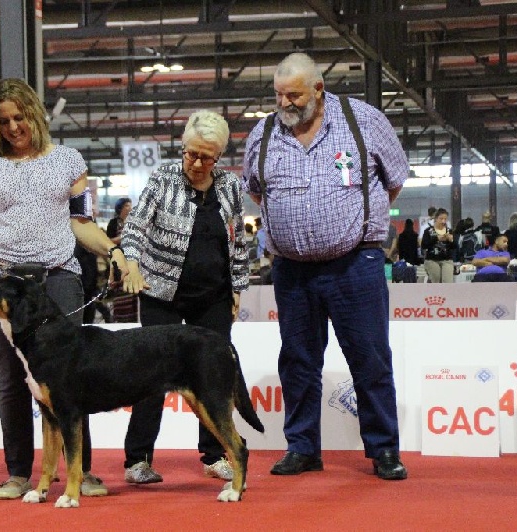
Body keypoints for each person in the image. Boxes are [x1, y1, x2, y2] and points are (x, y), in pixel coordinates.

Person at [0, 78, 128, 501]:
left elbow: (82, 223)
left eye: (19, 117)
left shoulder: (69, 161)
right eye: (3, 121)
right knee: (12, 375)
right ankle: (18, 472)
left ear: (34, 114)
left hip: (60, 279)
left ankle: (81, 470)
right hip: (5, 284)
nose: (13, 127)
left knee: (71, 378)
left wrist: (113, 249)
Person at [241, 52, 407, 480]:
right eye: (278, 95)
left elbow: (394, 180)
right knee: (297, 361)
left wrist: (352, 224)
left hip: (356, 263)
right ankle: (302, 447)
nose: (284, 104)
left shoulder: (363, 121)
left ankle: (384, 449)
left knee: (369, 359)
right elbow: (257, 192)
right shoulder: (262, 135)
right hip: (292, 270)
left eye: (293, 95)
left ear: (318, 89)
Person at [120, 110, 249, 484]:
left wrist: (237, 288)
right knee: (149, 376)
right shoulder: (162, 180)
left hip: (213, 297)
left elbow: (238, 242)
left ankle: (214, 454)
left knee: (212, 379)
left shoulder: (230, 187)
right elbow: (135, 229)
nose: (195, 162)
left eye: (205, 156)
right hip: (161, 294)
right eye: (190, 153)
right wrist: (132, 263)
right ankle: (138, 459)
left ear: (219, 157)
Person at [421, 208, 456, 283]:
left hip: (447, 259)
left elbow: (454, 247)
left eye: (445, 219)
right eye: (441, 219)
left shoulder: (449, 231)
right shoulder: (428, 231)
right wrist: (436, 239)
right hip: (432, 259)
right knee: (436, 279)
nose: (443, 221)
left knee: (448, 281)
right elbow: (424, 245)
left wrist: (451, 240)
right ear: (436, 219)